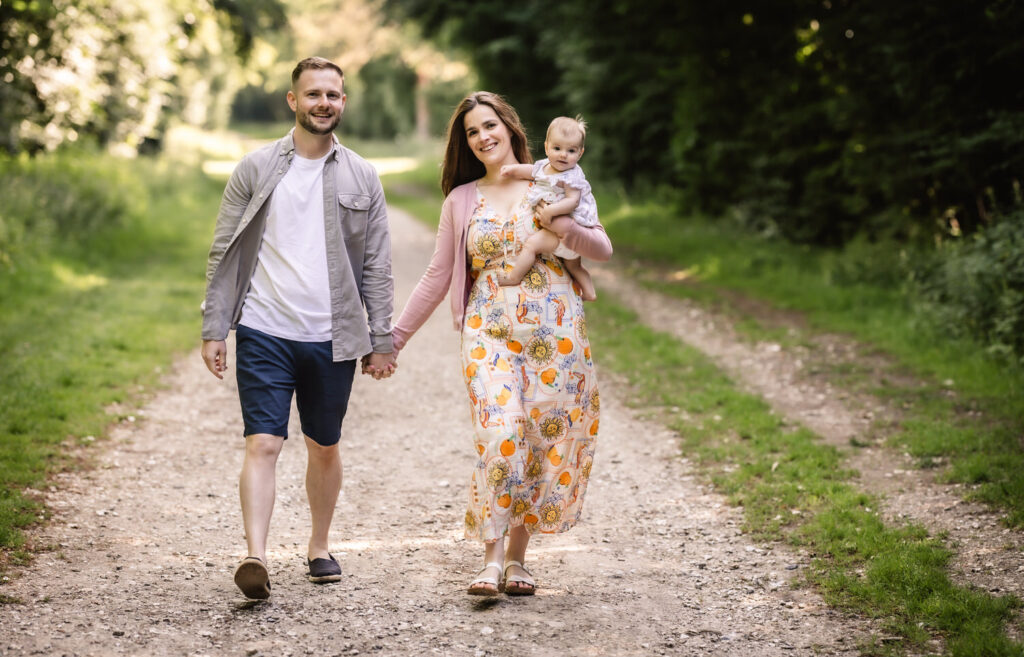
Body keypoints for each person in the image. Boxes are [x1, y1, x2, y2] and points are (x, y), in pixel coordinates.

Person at [391, 92, 612, 596]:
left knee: (538, 439)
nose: (483, 137)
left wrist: (564, 225)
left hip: (556, 335)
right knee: (502, 432)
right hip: (487, 331)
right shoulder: (461, 199)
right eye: (472, 131)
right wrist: (396, 338)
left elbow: (601, 247)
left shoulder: (555, 181)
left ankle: (517, 560)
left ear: (510, 128)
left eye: (489, 125)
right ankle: (490, 561)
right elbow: (437, 275)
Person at [200, 56, 397, 600]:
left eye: (332, 94)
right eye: (313, 94)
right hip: (264, 328)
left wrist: (381, 340)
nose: (323, 103)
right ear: (293, 100)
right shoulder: (256, 168)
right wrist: (215, 327)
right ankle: (255, 557)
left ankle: (319, 545)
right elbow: (224, 252)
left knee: (323, 445)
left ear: (343, 101)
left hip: (332, 336)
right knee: (263, 442)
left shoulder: (362, 175)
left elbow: (377, 265)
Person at [497, 115, 598, 301]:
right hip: (567, 237)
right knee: (574, 266)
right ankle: (590, 292)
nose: (563, 154)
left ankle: (514, 277)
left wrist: (551, 211)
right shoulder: (544, 166)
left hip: (563, 232)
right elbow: (530, 171)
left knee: (531, 246)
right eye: (557, 148)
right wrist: (512, 170)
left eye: (571, 150)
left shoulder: (571, 176)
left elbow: (573, 201)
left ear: (580, 153)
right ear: (546, 147)